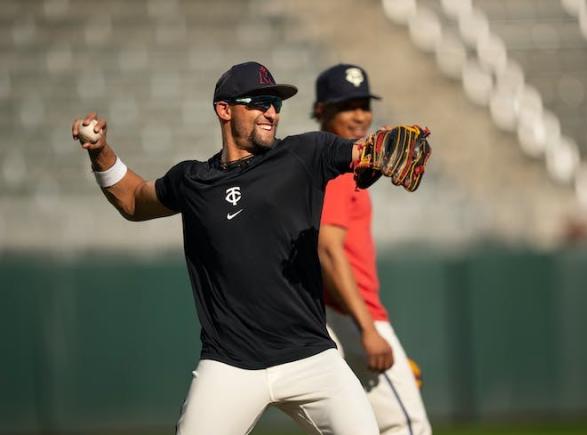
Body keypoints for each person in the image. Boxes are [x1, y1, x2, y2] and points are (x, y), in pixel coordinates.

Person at [72, 61, 382, 435]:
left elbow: (365, 151)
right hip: (230, 363)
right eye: (259, 102)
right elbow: (134, 201)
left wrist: (384, 151)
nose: (271, 112)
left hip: (311, 357)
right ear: (224, 109)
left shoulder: (303, 154)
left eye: (276, 104)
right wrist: (100, 151)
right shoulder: (192, 180)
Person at [313, 64, 432, 435]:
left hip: (332, 315)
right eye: (348, 105)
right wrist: (368, 331)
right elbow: (328, 249)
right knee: (406, 426)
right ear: (322, 111)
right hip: (350, 313)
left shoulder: (321, 163)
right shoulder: (337, 167)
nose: (361, 115)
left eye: (364, 104)